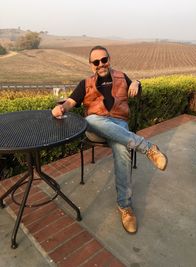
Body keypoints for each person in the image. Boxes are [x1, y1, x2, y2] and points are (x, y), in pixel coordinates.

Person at [52, 45, 168, 234]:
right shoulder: (85, 83)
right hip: (95, 126)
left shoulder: (122, 77)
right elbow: (72, 101)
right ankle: (147, 148)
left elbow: (137, 91)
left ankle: (125, 207)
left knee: (122, 149)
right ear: (91, 65)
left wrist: (137, 82)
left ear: (109, 59)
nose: (101, 64)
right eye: (96, 62)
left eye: (103, 60)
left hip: (119, 124)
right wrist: (62, 108)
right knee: (90, 119)